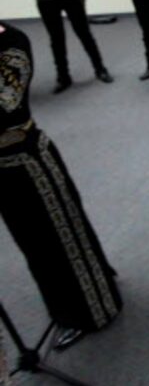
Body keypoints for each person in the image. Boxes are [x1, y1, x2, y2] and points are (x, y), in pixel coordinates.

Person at [0, 21, 122, 352]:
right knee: (33, 244)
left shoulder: (11, 40)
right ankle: (66, 306)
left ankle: (93, 309)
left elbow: (6, 104)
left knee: (60, 235)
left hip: (26, 158)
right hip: (3, 167)